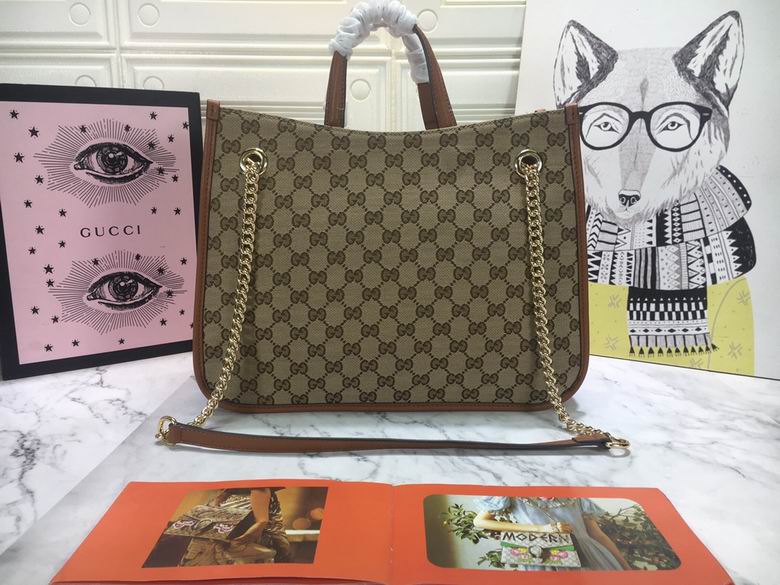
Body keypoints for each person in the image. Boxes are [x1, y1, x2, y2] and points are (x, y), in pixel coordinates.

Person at [473, 496, 631, 571]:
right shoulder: (511, 496)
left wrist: (625, 568)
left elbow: (597, 534)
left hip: (591, 555)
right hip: (543, 556)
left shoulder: (575, 495)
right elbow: (480, 521)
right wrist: (542, 529)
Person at [178, 487, 291, 566]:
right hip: (224, 538)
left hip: (252, 539)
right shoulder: (226, 493)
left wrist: (240, 541)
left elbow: (262, 522)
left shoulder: (259, 489)